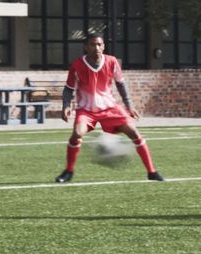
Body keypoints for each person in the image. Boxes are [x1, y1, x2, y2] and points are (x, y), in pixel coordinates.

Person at [54, 34, 164, 183]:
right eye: (93, 45)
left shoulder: (111, 61)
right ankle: (68, 171)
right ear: (86, 47)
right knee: (77, 134)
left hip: (110, 108)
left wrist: (129, 104)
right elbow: (68, 88)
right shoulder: (77, 64)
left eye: (100, 44)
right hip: (86, 110)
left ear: (103, 46)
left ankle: (152, 172)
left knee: (134, 133)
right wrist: (66, 106)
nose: (97, 48)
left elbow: (121, 84)